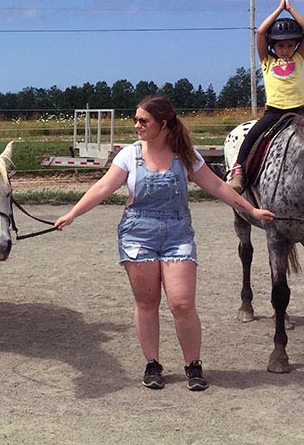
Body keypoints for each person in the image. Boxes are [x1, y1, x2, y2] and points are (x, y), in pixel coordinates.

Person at [54, 96, 274, 391]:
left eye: (143, 121)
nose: (137, 126)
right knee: (146, 303)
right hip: (137, 235)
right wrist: (72, 214)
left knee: (182, 303)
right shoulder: (128, 156)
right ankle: (152, 364)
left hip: (177, 235)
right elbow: (103, 187)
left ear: (163, 123)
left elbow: (218, 186)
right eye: (135, 120)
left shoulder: (185, 156)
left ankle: (193, 365)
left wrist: (251, 210)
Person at [228, 0, 304, 192]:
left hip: (299, 111)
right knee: (251, 137)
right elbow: (260, 33)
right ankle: (238, 172)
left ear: (295, 45)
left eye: (290, 45)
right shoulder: (267, 61)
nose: (285, 49)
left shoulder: (298, 58)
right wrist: (278, 10)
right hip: (274, 111)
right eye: (281, 45)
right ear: (273, 46)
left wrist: (290, 9)